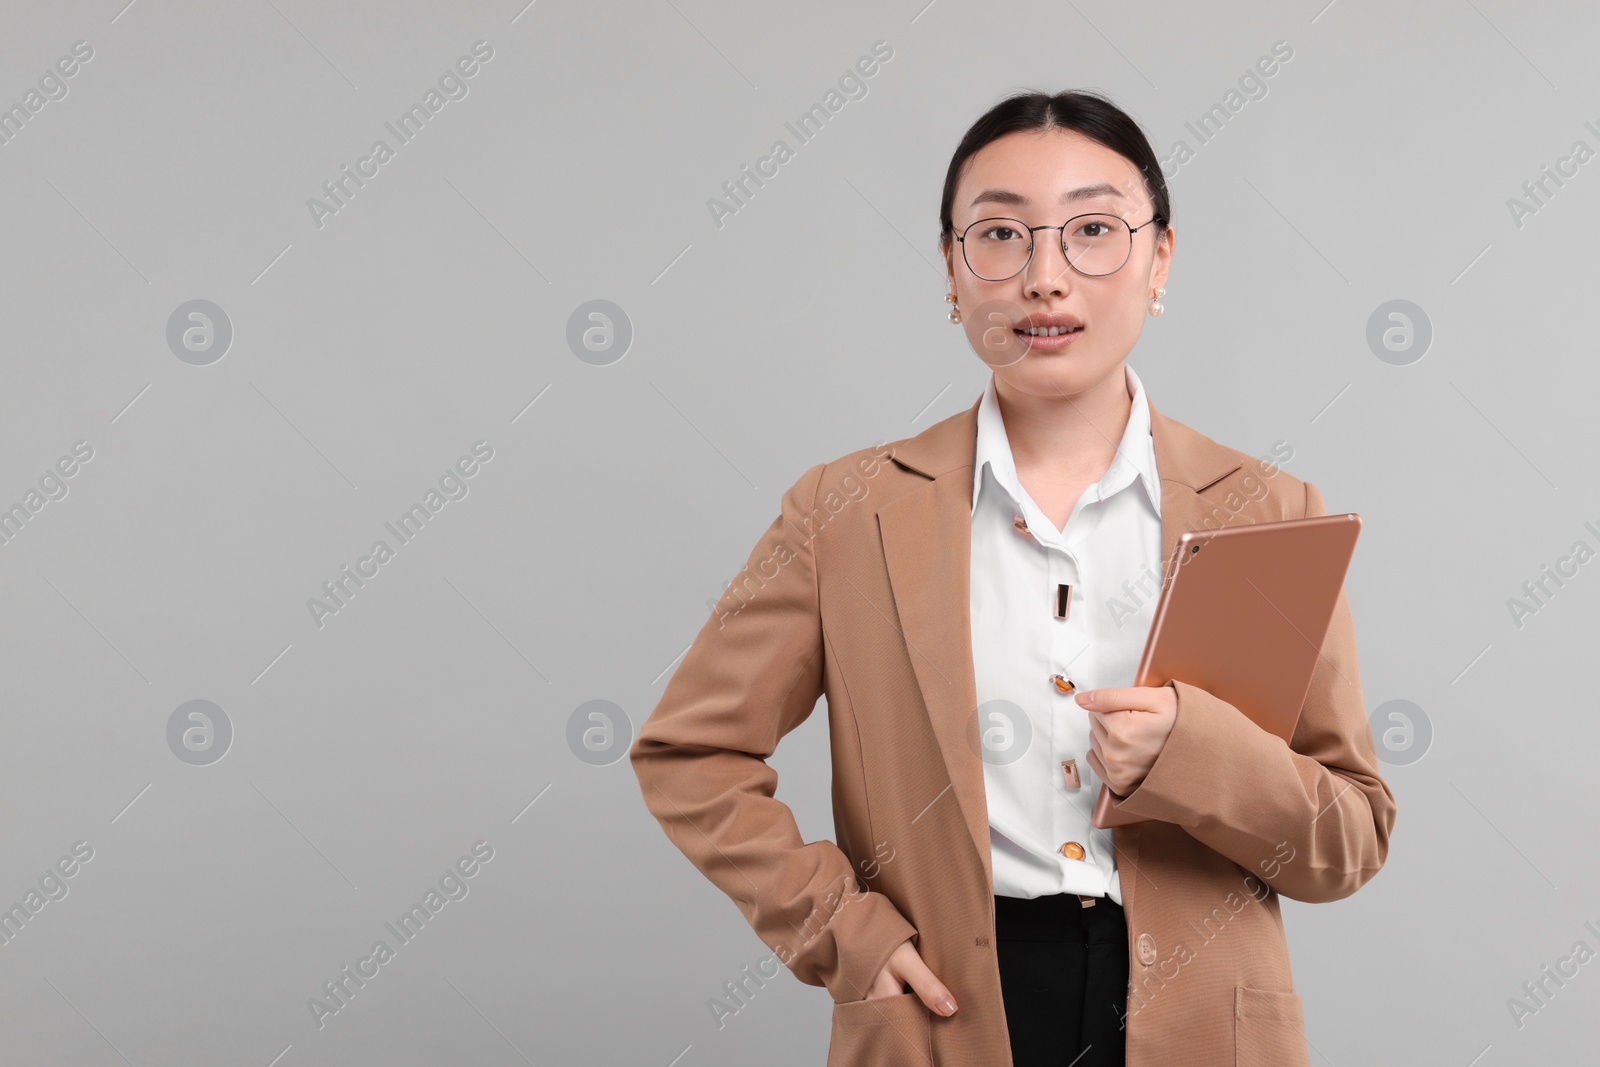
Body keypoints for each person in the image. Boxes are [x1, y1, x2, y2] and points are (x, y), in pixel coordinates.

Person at [629, 89, 1396, 1067]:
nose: (1045, 277)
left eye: (1092, 231)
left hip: (1201, 1024)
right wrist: (841, 932)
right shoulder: (846, 508)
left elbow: (1346, 841)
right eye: (999, 233)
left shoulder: (1264, 510)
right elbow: (690, 749)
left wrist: (1190, 752)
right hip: (941, 1012)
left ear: (1160, 259)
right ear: (951, 270)